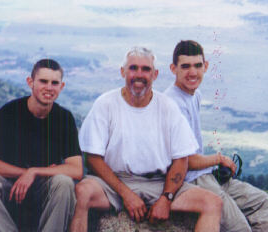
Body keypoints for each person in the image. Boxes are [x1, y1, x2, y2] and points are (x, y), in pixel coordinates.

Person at [70, 47, 222, 232]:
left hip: (159, 182)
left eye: (146, 69)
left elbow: (181, 159)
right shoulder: (105, 104)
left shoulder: (168, 107)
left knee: (212, 203)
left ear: (155, 74)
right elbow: (92, 158)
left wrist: (167, 198)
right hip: (114, 182)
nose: (139, 75)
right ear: (123, 72)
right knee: (82, 192)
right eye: (133, 68)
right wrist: (126, 194)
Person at [165, 40, 268, 232]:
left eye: (197, 65)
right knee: (239, 228)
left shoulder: (194, 95)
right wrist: (218, 159)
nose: (192, 73)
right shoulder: (173, 104)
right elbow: (185, 161)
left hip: (206, 176)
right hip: (189, 182)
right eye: (185, 66)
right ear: (173, 69)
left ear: (206, 66)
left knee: (263, 202)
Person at [0, 59, 83, 232]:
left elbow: (76, 169)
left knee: (64, 182)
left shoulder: (64, 118)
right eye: (43, 81)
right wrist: (24, 174)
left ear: (62, 86)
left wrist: (34, 172)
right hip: (9, 187)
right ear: (30, 82)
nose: (49, 87)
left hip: (42, 191)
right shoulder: (9, 112)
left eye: (55, 83)